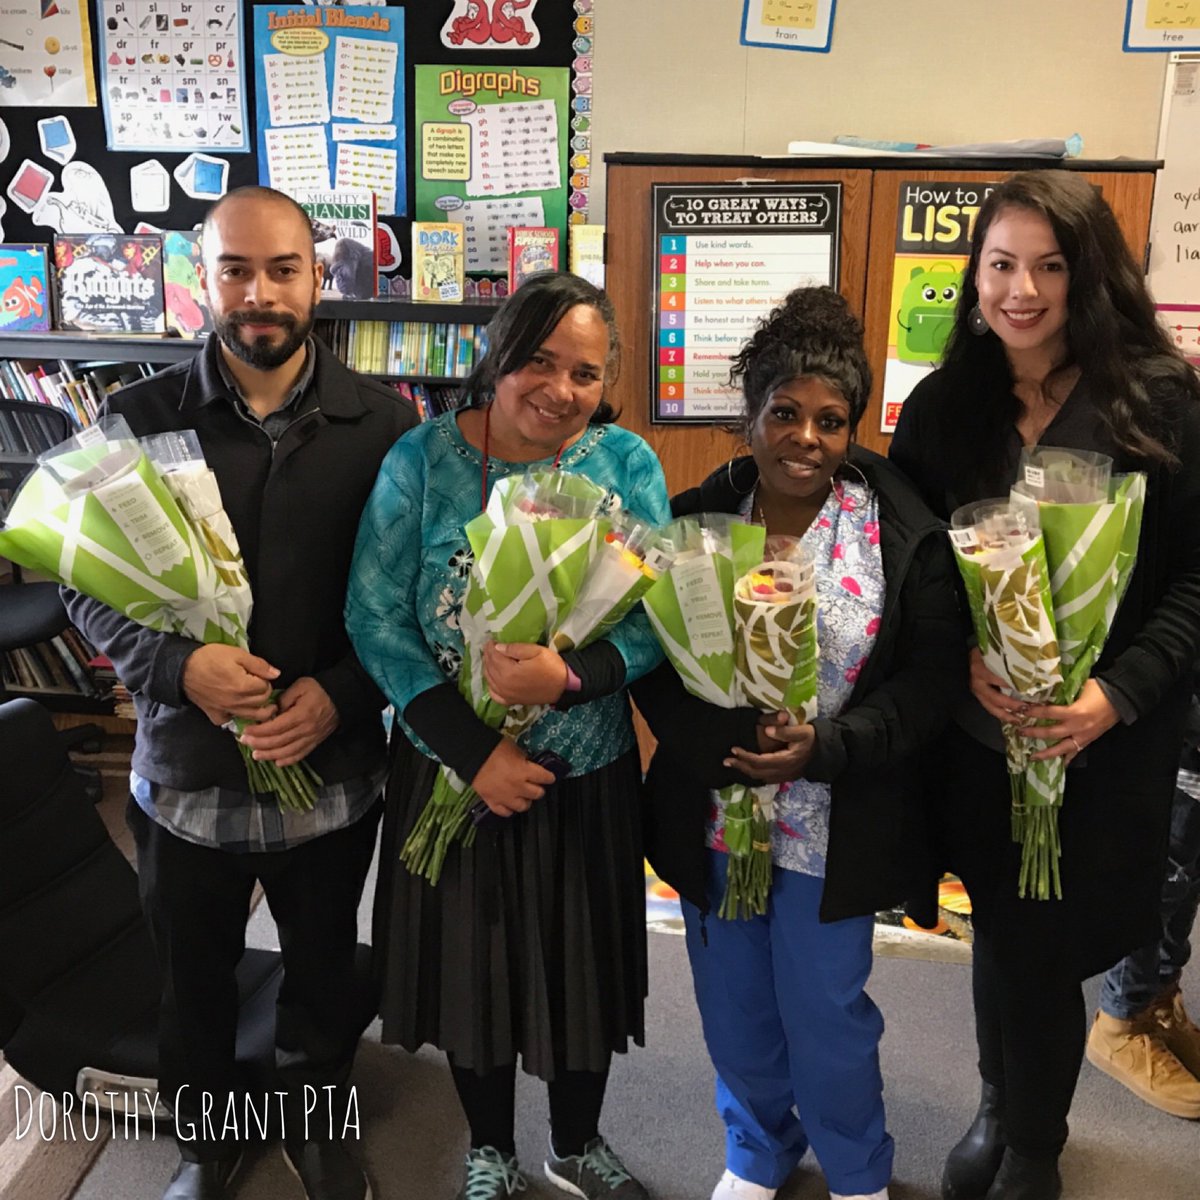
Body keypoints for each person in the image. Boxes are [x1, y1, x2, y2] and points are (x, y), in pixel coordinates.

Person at [65, 186, 416, 1200]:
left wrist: (344, 698)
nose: (259, 294)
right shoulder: (136, 424)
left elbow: (413, 605)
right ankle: (205, 1143)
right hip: (188, 770)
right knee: (192, 982)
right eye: (235, 270)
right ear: (201, 279)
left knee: (319, 969)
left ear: (321, 277)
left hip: (332, 766)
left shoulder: (387, 429)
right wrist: (178, 668)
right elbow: (81, 588)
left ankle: (318, 1124)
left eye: (283, 269)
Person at [889, 170, 1200, 1200]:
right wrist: (958, 658)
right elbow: (910, 564)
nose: (1022, 289)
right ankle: (995, 1103)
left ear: (1090, 275)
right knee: (1000, 921)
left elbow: (1196, 579)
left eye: (1050, 266)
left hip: (1101, 741)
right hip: (979, 741)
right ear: (974, 274)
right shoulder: (944, 409)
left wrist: (1114, 694)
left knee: (1048, 940)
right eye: (1002, 263)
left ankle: (1035, 1141)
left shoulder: (1157, 401)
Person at [632, 286, 965, 1200]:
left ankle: (857, 1170)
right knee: (735, 1009)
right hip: (715, 809)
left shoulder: (897, 536)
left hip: (835, 819)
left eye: (830, 420)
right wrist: (723, 741)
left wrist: (826, 745)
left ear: (852, 430)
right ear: (751, 415)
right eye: (785, 412)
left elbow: (929, 682)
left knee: (827, 1014)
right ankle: (755, 1152)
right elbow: (652, 661)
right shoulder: (698, 522)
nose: (805, 438)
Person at [345, 272, 670, 1200]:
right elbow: (374, 619)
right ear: (498, 354)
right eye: (538, 361)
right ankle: (489, 1147)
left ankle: (577, 1143)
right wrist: (473, 748)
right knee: (472, 971)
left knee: (581, 970)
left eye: (585, 372)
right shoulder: (421, 460)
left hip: (585, 768)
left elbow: (653, 622)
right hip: (453, 769)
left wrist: (571, 677)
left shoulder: (625, 465)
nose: (559, 390)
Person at [1085, 664, 1200, 1117]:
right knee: (1162, 877)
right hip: (1176, 716)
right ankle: (1120, 1023)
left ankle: (1158, 999)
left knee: (1189, 870)